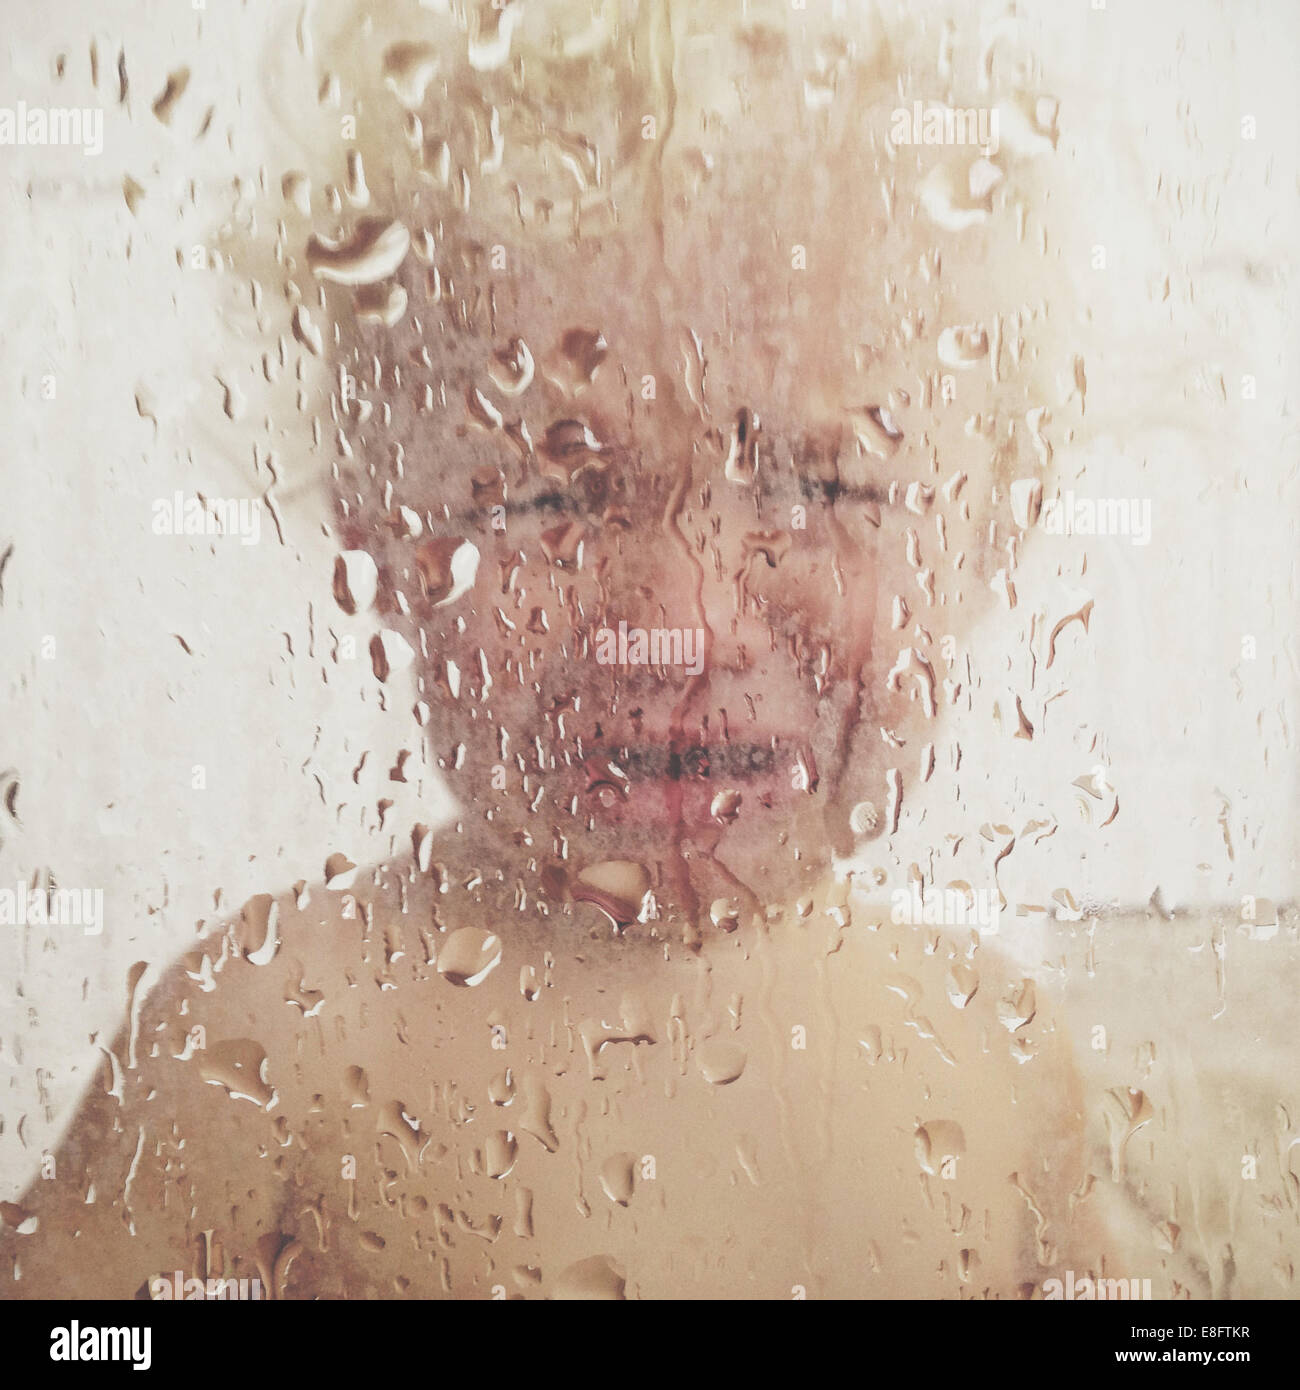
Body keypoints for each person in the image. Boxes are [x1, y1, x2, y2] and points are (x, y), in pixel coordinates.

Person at [6, 0, 1117, 1299]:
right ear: (386, 547)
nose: (685, 624)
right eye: (551, 495)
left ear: (992, 539)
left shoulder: (1003, 1059)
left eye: (823, 482)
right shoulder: (266, 1055)